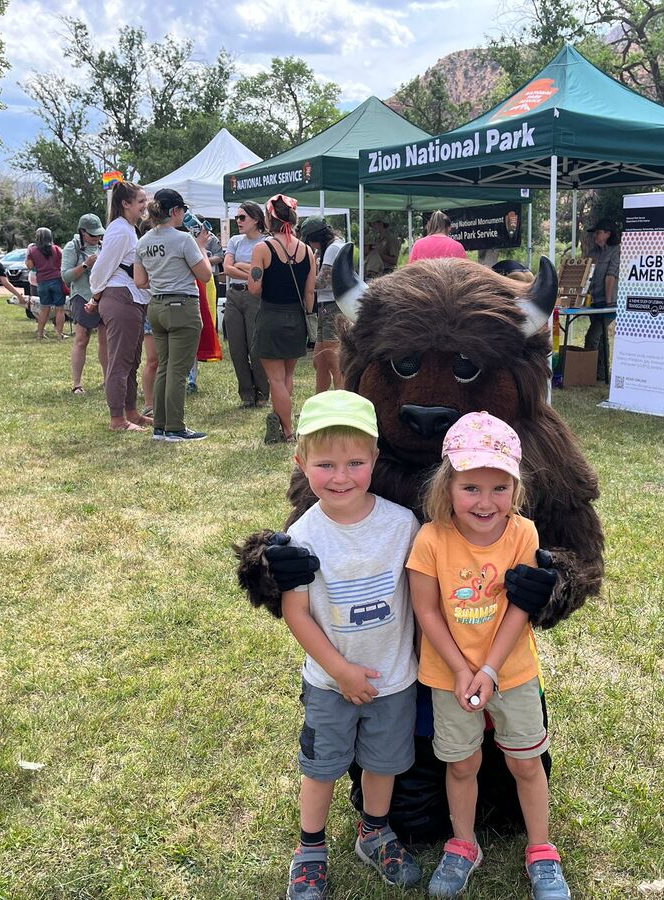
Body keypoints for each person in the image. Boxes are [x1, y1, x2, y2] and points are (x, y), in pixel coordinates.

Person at [407, 412, 568, 899]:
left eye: (500, 488)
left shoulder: (524, 534)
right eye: (471, 487)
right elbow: (427, 612)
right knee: (460, 764)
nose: (485, 501)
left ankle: (541, 850)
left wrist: (491, 669)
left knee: (526, 762)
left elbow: (521, 607)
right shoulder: (431, 539)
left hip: (512, 671)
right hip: (448, 675)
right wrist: (462, 670)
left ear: (516, 489)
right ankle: (463, 843)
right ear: (447, 485)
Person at [277, 390, 424, 899]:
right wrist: (339, 670)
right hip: (329, 682)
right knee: (322, 768)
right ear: (302, 463)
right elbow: (296, 612)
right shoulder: (301, 535)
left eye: (354, 462)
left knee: (383, 764)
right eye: (325, 464)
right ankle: (310, 848)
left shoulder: (403, 524)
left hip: (394, 678)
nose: (340, 477)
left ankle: (374, 832)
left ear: (376, 458)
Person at [134, 188, 212, 442]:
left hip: (156, 306)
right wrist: (201, 247)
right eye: (183, 211)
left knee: (164, 367)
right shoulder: (183, 240)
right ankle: (176, 427)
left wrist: (162, 279)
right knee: (178, 370)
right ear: (176, 211)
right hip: (182, 307)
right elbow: (205, 275)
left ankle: (160, 426)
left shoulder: (143, 241)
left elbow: (140, 280)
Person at [248, 194, 315, 444]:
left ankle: (288, 431)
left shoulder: (262, 248)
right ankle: (281, 423)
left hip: (271, 317)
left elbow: (254, 288)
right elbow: (310, 292)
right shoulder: (307, 251)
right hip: (297, 318)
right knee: (287, 377)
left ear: (268, 218)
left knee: (275, 379)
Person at [88, 180, 152, 432]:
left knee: (131, 360)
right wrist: (95, 296)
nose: (145, 206)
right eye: (141, 202)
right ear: (125, 204)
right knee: (120, 362)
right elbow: (103, 266)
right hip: (121, 299)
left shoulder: (127, 229)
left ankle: (131, 413)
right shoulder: (119, 230)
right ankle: (117, 419)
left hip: (131, 299)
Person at [223, 201, 270, 407]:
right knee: (236, 348)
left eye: (242, 218)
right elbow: (227, 268)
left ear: (256, 219)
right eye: (237, 218)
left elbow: (266, 273)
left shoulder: (266, 242)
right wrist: (250, 269)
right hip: (234, 294)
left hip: (255, 296)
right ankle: (247, 394)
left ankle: (263, 393)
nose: (238, 222)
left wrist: (240, 266)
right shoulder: (235, 240)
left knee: (255, 345)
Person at [62, 214, 108, 393]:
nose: (96, 238)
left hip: (103, 295)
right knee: (82, 339)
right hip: (82, 295)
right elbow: (65, 277)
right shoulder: (71, 247)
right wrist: (86, 265)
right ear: (82, 232)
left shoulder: (103, 246)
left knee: (106, 342)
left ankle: (107, 380)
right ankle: (77, 384)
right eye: (92, 235)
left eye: (98, 235)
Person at [299, 216, 345, 392]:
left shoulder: (333, 249)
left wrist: (299, 279)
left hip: (332, 307)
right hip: (328, 306)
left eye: (311, 241)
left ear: (316, 238)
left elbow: (322, 282)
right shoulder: (334, 245)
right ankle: (319, 402)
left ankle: (342, 402)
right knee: (320, 361)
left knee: (334, 360)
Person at [183, 213, 223, 395]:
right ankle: (186, 376)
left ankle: (192, 378)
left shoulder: (209, 239)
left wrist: (202, 254)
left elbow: (218, 258)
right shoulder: (184, 239)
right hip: (190, 286)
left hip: (206, 283)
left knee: (201, 327)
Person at [583, 217, 621, 383]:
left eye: (598, 233)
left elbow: (611, 276)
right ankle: (602, 374)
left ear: (608, 234)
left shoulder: (616, 250)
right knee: (602, 338)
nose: (595, 236)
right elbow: (587, 277)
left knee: (593, 336)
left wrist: (609, 301)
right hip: (595, 301)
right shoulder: (593, 253)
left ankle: (586, 372)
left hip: (609, 302)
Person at [27, 227, 66, 340]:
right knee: (60, 309)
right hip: (57, 279)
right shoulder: (56, 249)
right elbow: (64, 261)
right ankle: (59, 334)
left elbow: (29, 266)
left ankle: (40, 334)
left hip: (42, 281)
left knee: (44, 309)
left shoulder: (32, 250)